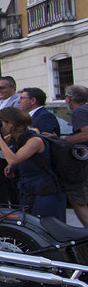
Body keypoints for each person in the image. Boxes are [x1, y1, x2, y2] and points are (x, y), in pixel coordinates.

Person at [0, 107, 65, 220]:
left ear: (11, 124)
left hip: (45, 190)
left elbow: (13, 159)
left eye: (0, 123)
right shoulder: (14, 138)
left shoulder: (34, 140)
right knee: (30, 225)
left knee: (46, 226)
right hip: (28, 189)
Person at [61, 85, 88, 226]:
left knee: (77, 198)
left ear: (69, 99)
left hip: (84, 165)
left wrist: (64, 140)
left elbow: (86, 134)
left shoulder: (79, 111)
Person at [0, 76, 20, 205]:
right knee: (1, 184)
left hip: (10, 148)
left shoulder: (17, 102)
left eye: (2, 88)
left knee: (13, 187)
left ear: (13, 87)